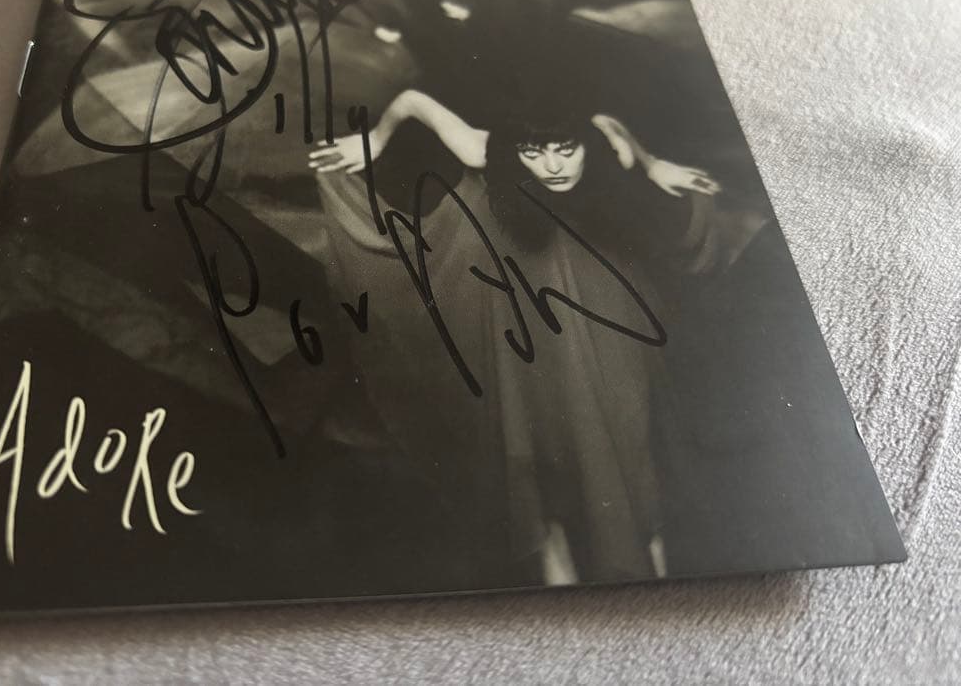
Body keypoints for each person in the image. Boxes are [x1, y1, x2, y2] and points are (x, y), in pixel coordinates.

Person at [307, 89, 732, 585]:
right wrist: (376, 140)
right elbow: (413, 100)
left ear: (583, 142)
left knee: (625, 431)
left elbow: (609, 124)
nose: (553, 166)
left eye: (566, 150)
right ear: (514, 148)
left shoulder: (601, 138)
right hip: (524, 317)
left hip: (600, 304)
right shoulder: (481, 148)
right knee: (533, 439)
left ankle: (653, 569)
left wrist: (653, 164)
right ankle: (557, 573)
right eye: (534, 152)